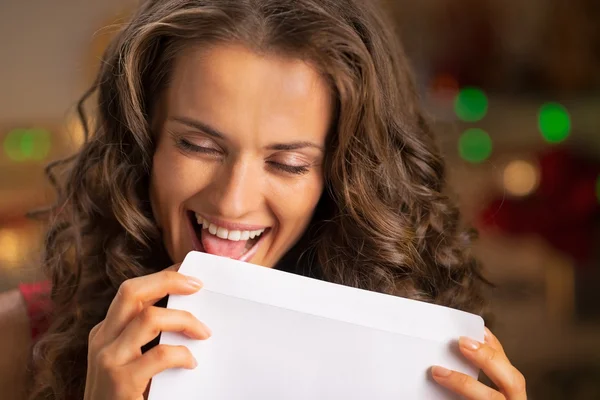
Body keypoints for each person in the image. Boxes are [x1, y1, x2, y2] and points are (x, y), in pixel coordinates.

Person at [0, 0, 527, 399]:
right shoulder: (19, 339)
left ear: (342, 178)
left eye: (288, 163)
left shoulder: (419, 363)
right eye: (198, 145)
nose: (232, 203)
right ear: (143, 145)